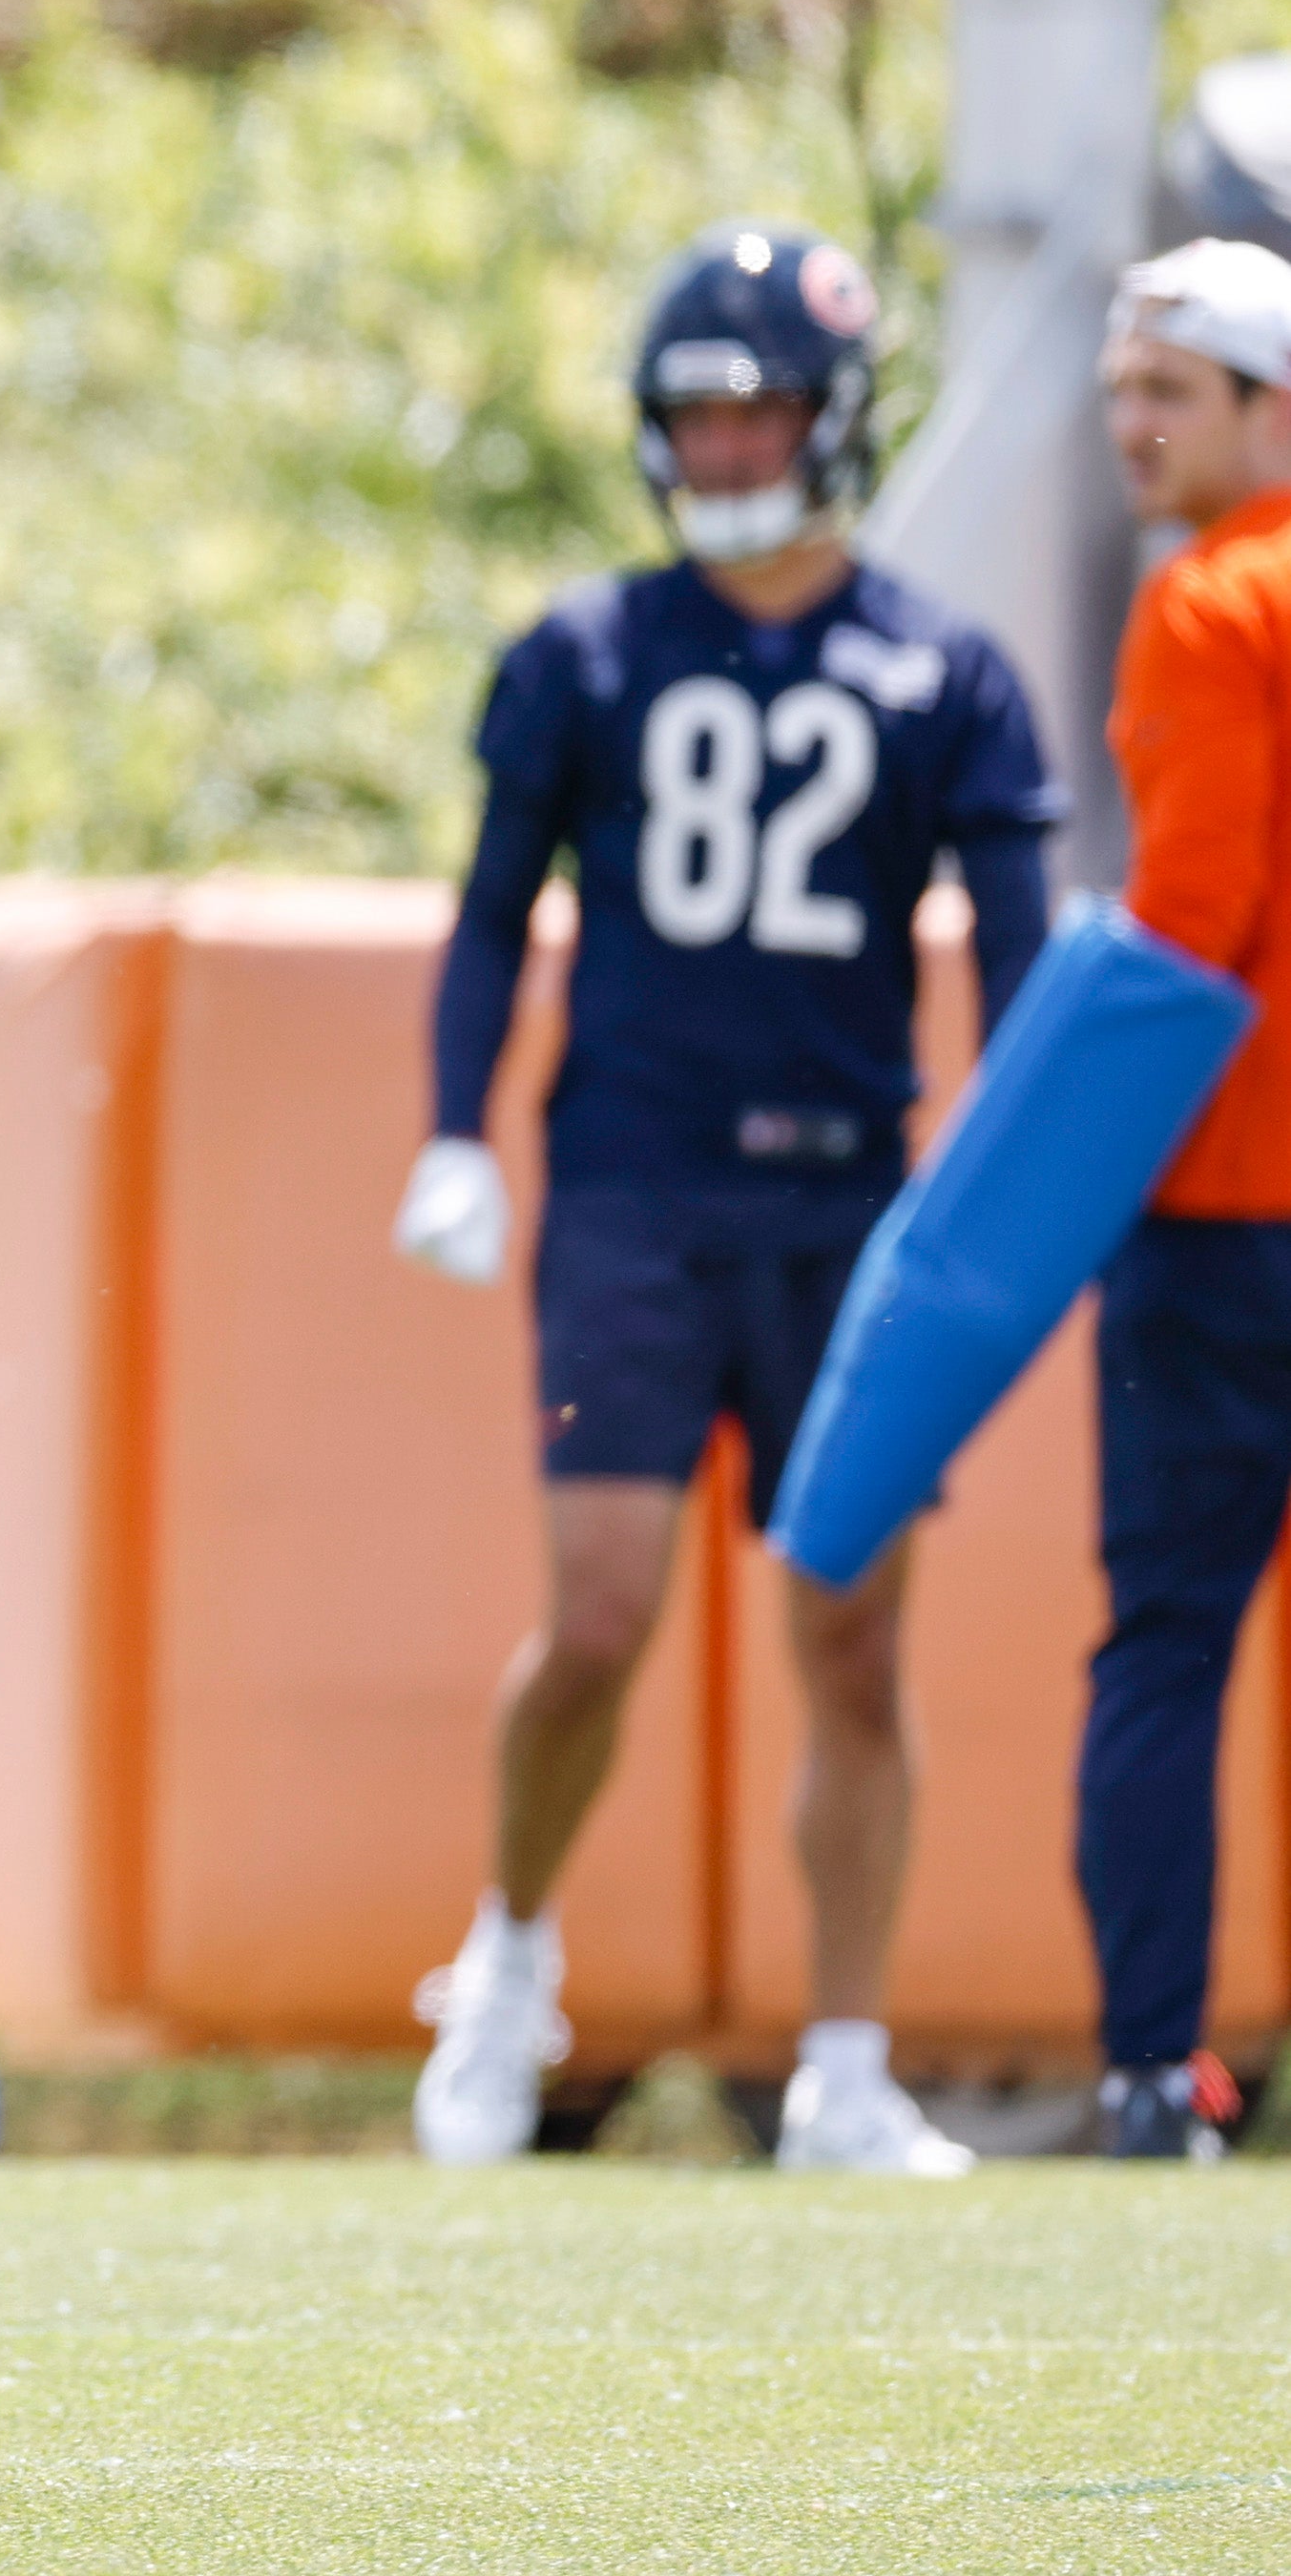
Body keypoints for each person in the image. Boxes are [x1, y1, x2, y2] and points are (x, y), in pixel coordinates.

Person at [395, 221, 1063, 2174]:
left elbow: (1023, 965)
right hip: (633, 1192)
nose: (723, 442)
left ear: (839, 417)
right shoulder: (588, 652)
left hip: (851, 1211)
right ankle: (509, 1957)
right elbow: (494, 914)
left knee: (850, 1639)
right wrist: (455, 1128)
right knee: (597, 1616)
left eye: (758, 405)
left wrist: (1011, 1188)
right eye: (693, 412)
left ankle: (846, 2062)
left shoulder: (941, 669)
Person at [1075, 239, 1291, 2161]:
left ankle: (1155, 2064)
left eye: (1175, 392)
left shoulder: (1216, 605)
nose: (1134, 425)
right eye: (1124, 390)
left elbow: (1191, 931)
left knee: (1168, 1642)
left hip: (1232, 1206)